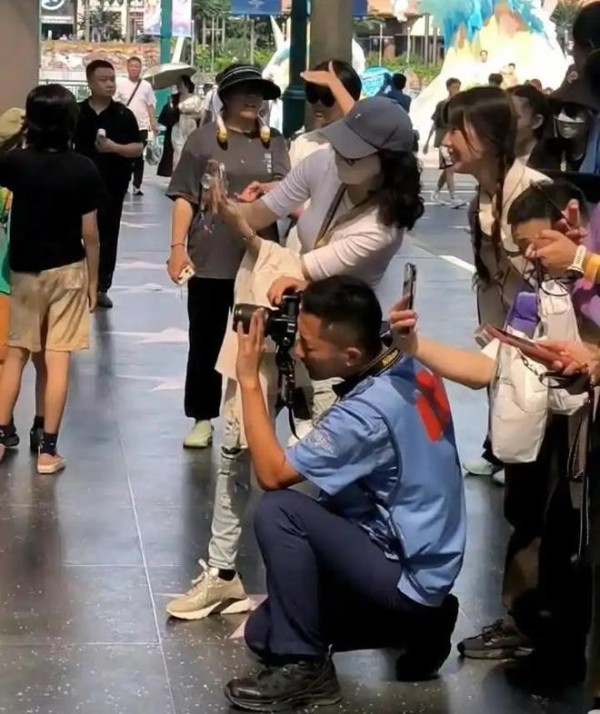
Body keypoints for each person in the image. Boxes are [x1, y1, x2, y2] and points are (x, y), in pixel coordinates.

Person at [165, 96, 424, 622]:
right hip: (281, 326)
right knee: (235, 446)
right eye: (342, 146)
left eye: (356, 153)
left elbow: (299, 274)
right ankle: (222, 573)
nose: (342, 158)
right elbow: (262, 215)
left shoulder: (383, 227)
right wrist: (231, 208)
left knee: (330, 466)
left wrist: (253, 234)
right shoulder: (323, 162)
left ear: (387, 162)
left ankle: (335, 576)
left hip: (334, 350)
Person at [223, 276, 465, 712]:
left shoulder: (365, 414)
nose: (298, 351)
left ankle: (306, 667)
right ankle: (425, 623)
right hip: (426, 558)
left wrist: (249, 381)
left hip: (402, 569)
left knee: (280, 510)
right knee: (262, 632)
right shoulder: (406, 362)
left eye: (308, 345)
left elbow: (272, 474)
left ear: (350, 355)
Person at [166, 64, 289, 450]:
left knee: (258, 340)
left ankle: (251, 418)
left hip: (258, 256)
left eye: (259, 92)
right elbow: (185, 197)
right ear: (227, 97)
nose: (253, 99)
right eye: (244, 91)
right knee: (206, 339)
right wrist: (177, 248)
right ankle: (202, 417)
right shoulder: (203, 141)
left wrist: (268, 188)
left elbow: (288, 188)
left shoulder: (275, 142)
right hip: (210, 256)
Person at [0, 84, 102, 474]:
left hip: (24, 272)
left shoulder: (16, 164)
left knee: (16, 355)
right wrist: (93, 282)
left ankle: (1, 434)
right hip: (69, 271)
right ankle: (47, 450)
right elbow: (90, 234)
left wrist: (18, 131)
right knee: (58, 360)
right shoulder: (83, 168)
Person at [74, 59, 143, 310]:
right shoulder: (76, 113)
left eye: (112, 79)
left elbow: (138, 148)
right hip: (77, 187)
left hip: (111, 185)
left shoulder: (124, 115)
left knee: (108, 236)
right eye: (103, 80)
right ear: (90, 83)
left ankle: (102, 287)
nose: (109, 84)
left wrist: (114, 147)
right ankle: (77, 284)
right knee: (74, 234)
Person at [115, 55, 158, 196]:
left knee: (138, 156)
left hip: (141, 126)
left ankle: (137, 185)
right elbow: (114, 102)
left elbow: (150, 105)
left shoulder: (146, 86)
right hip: (124, 126)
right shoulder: (120, 83)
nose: (134, 69)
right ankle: (124, 182)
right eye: (132, 66)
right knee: (124, 155)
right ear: (127, 67)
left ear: (141, 69)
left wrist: (153, 124)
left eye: (137, 66)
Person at [423, 77, 465, 207]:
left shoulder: (459, 106)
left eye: (458, 88)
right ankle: (453, 197)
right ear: (448, 88)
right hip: (444, 141)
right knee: (449, 168)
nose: (456, 90)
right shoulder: (442, 105)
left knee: (448, 169)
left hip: (455, 140)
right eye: (454, 87)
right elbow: (435, 123)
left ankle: (436, 192)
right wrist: (427, 141)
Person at [507, 84, 550, 166]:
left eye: (513, 117)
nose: (504, 123)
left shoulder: (555, 165)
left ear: (536, 122)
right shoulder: (493, 161)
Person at [171, 75, 202, 169]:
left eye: (180, 83)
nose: (178, 86)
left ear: (186, 84)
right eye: (177, 84)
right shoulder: (175, 98)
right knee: (178, 150)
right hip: (178, 125)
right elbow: (172, 112)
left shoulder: (195, 98)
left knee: (190, 149)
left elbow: (200, 114)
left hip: (191, 125)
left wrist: (191, 116)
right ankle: (177, 171)